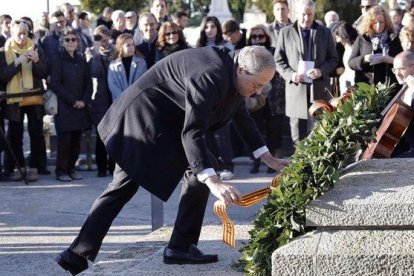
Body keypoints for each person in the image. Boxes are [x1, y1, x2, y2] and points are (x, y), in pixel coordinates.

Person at [55, 45, 289, 275]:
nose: (258, 92)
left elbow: (240, 116)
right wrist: (214, 181)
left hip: (169, 122)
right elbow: (193, 131)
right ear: (241, 70)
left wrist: (268, 158)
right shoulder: (210, 74)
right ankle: (76, 254)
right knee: (123, 186)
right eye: (257, 84)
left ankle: (180, 246)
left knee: (203, 168)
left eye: (263, 86)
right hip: (142, 121)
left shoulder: (231, 71)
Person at [274, 0, 338, 145]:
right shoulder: (286, 32)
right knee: (297, 137)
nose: (306, 18)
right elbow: (278, 60)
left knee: (323, 131)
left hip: (319, 89)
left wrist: (321, 71)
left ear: (314, 13)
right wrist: (291, 75)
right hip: (296, 90)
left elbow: (333, 59)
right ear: (297, 14)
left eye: (310, 14)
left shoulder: (325, 32)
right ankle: (301, 165)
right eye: (303, 14)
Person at [0, 20, 48, 182]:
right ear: (13, 34)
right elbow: (3, 76)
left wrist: (36, 61)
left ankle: (33, 167)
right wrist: (17, 62)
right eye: (18, 33)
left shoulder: (35, 48)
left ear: (28, 34)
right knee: (16, 136)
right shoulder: (4, 50)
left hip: (33, 97)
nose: (22, 37)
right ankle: (19, 167)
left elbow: (43, 73)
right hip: (13, 99)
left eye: (24, 33)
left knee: (36, 134)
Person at [49, 27, 92, 182]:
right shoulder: (57, 58)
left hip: (80, 107)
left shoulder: (81, 59)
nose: (71, 42)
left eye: (74, 39)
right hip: (65, 107)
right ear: (62, 42)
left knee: (76, 141)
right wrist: (73, 101)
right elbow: (55, 83)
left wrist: (84, 101)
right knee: (65, 141)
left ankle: (71, 169)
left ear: (78, 42)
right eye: (67, 39)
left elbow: (89, 83)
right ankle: (61, 171)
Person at [246, 24, 289, 174]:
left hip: (272, 98)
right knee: (254, 130)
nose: (257, 39)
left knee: (273, 132)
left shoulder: (272, 53)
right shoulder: (246, 54)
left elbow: (278, 76)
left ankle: (272, 162)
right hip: (254, 98)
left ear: (266, 37)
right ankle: (255, 162)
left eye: (260, 36)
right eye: (254, 36)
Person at [348, 5, 403, 87]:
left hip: (390, 87)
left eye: (381, 22)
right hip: (367, 87)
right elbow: (351, 63)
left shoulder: (394, 38)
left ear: (386, 22)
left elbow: (404, 61)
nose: (378, 25)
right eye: (375, 22)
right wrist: (364, 59)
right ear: (369, 23)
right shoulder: (362, 39)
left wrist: (390, 60)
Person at [89, 26, 115, 177]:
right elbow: (94, 72)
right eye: (100, 39)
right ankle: (101, 167)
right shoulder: (91, 53)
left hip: (113, 98)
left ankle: (113, 166)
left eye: (106, 39)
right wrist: (96, 53)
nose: (104, 42)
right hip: (98, 99)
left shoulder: (115, 51)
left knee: (114, 134)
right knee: (100, 135)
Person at [108, 33, 147, 101]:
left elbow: (142, 81)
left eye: (132, 45)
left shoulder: (141, 62)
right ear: (120, 47)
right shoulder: (113, 65)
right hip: (120, 102)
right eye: (128, 45)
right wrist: (123, 98)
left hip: (136, 100)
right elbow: (112, 84)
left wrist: (132, 97)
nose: (131, 47)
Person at [332, 21, 359, 94]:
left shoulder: (353, 49)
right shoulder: (347, 48)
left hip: (351, 84)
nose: (337, 40)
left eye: (338, 37)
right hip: (347, 83)